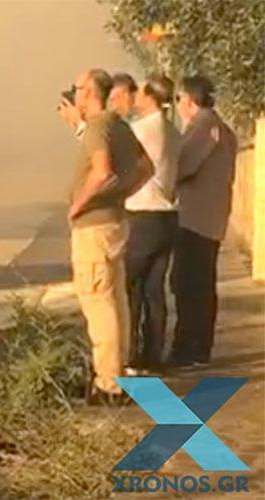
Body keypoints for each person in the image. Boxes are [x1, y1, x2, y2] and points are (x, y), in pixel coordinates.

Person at [66, 69, 152, 405]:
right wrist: (121, 194)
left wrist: (79, 204)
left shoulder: (99, 126)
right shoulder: (118, 124)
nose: (73, 95)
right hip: (114, 221)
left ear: (88, 92)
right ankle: (116, 372)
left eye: (76, 89)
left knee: (98, 303)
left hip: (94, 228)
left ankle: (109, 384)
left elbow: (101, 171)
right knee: (114, 301)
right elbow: (147, 168)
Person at [168, 75, 237, 368]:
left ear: (189, 99)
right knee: (199, 283)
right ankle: (197, 347)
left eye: (179, 99)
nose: (178, 106)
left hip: (197, 218)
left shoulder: (204, 126)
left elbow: (183, 166)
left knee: (189, 284)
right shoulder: (220, 127)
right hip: (209, 216)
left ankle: (190, 348)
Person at [124, 75, 182, 373]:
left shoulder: (142, 129)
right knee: (154, 290)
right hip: (167, 215)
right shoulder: (173, 131)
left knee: (131, 287)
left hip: (143, 214)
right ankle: (154, 354)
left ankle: (131, 354)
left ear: (148, 95)